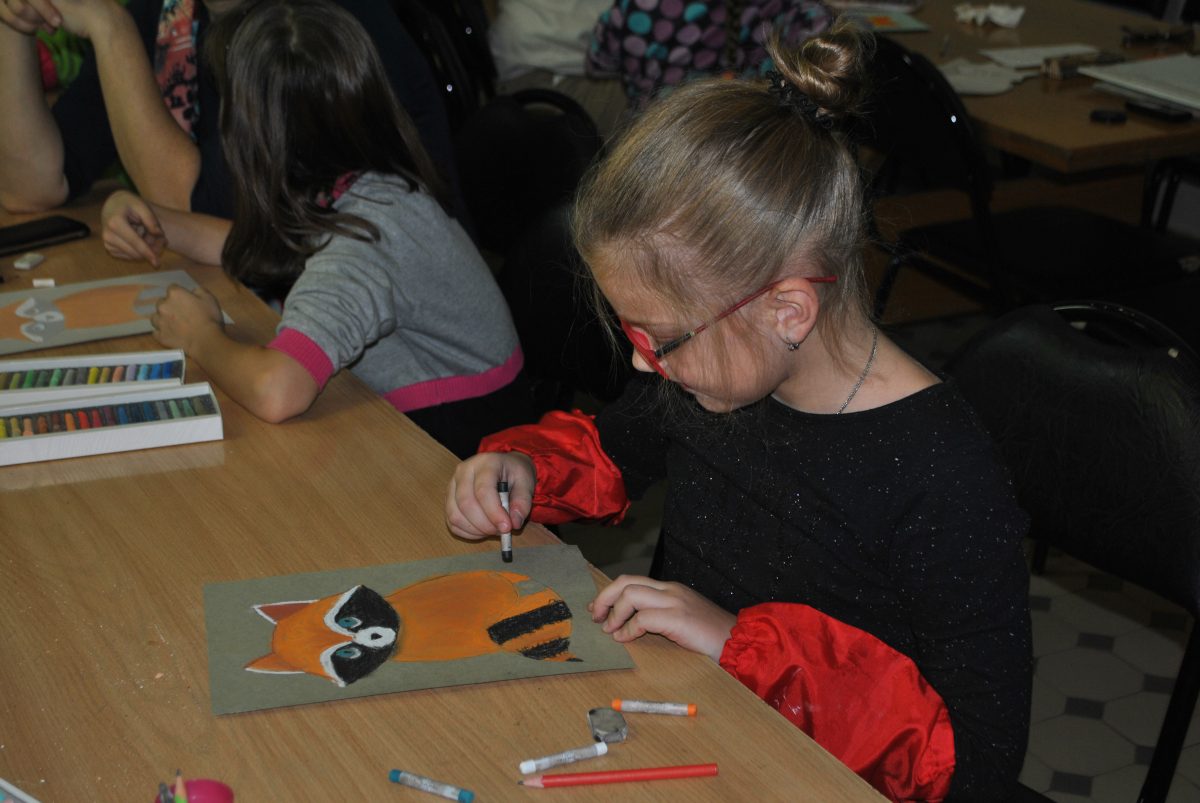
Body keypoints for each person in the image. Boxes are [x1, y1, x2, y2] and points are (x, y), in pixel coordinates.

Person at [445, 22, 1032, 802]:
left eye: (660, 339)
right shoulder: (715, 373)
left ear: (787, 310)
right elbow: (614, 448)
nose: (641, 363)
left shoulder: (942, 472)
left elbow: (976, 762)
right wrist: (524, 469)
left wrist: (737, 641)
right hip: (709, 722)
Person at [139, 0, 530, 458]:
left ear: (251, 138)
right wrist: (157, 222)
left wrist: (199, 336)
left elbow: (277, 390)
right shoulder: (362, 184)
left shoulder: (365, 239)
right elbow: (264, 250)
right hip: (454, 421)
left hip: (456, 452)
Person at [0, 0, 460, 258]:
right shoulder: (168, 13)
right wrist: (14, 19)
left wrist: (110, 29)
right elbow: (32, 185)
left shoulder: (314, 28)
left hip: (400, 368)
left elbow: (191, 207)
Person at [587, 0, 832, 109]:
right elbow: (820, 33)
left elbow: (597, 64)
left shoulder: (632, 8)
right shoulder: (785, 7)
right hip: (743, 127)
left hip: (653, 133)